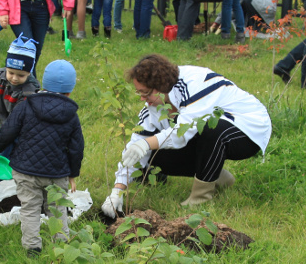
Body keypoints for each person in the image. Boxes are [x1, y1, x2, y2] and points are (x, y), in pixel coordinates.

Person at [100, 54, 271, 216]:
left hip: (248, 129)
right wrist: (117, 191)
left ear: (160, 86)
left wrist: (146, 144)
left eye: (145, 92)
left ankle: (200, 199)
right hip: (212, 131)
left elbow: (181, 133)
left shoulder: (195, 84)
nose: (142, 99)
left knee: (212, 129)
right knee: (154, 155)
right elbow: (136, 144)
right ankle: (217, 175)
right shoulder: (153, 107)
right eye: (139, 93)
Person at [0, 59, 83, 254]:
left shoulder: (26, 105)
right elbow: (76, 148)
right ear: (70, 91)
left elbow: (8, 130)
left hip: (25, 170)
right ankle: (62, 245)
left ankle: (32, 247)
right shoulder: (71, 115)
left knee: (30, 208)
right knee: (57, 208)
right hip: (56, 173)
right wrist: (73, 173)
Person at [0, 36, 41, 188]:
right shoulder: (0, 78)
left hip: (21, 131)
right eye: (11, 72)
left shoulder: (29, 91)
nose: (14, 78)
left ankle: (18, 188)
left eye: (21, 75)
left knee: (18, 159)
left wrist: (2, 136)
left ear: (29, 73)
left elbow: (17, 118)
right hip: (5, 127)